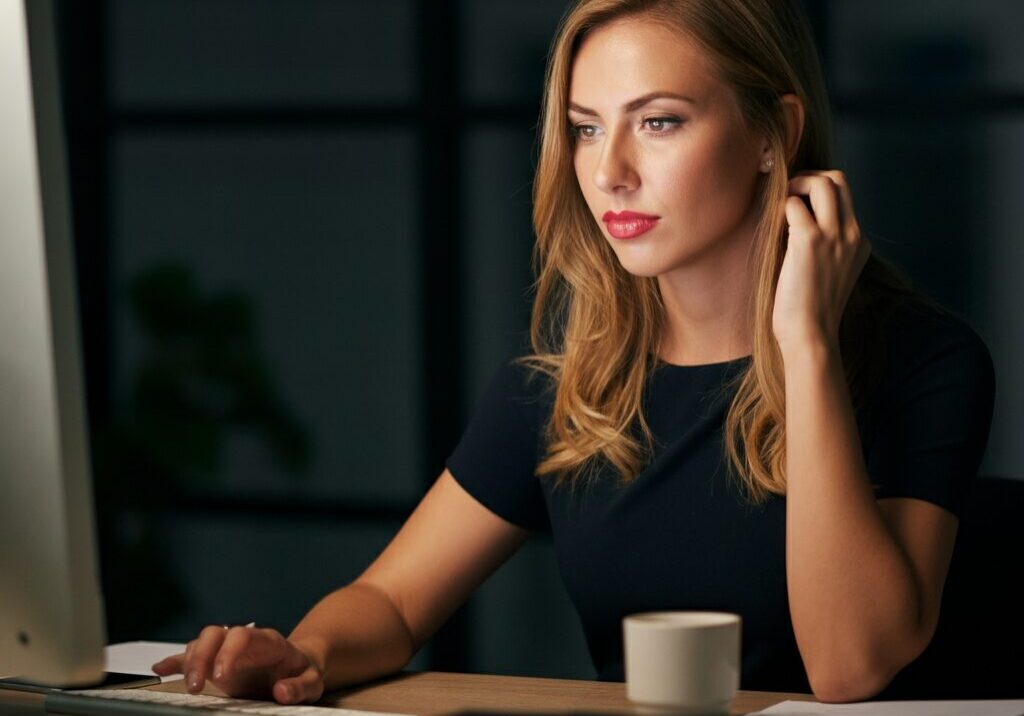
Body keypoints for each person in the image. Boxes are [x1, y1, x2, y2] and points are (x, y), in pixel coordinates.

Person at [153, 0, 995, 705]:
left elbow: (851, 669)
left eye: (659, 122)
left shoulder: (927, 362)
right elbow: (392, 601)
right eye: (587, 130)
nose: (610, 173)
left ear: (775, 132)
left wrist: (804, 343)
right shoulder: (570, 378)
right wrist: (307, 655)